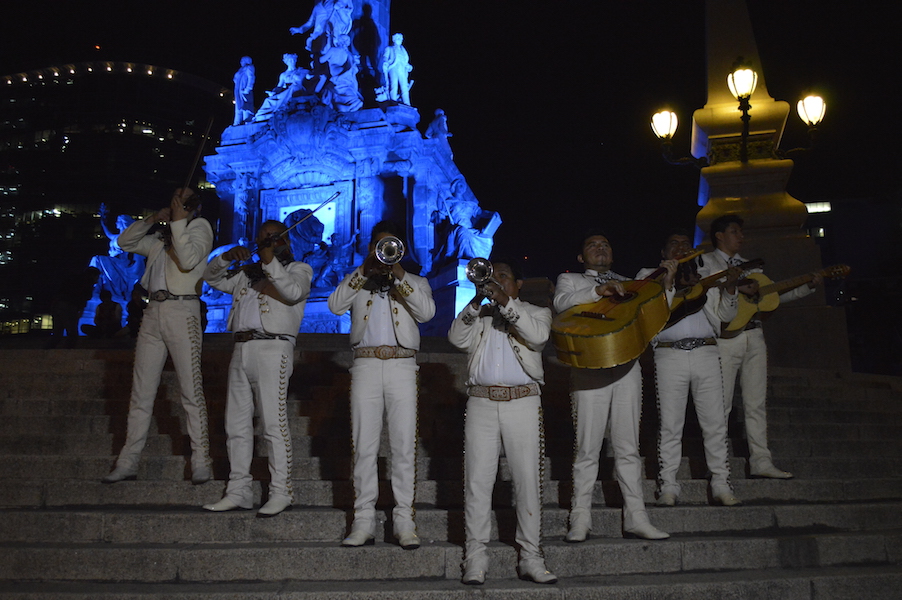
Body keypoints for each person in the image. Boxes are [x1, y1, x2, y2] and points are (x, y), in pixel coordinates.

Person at [553, 231, 671, 542]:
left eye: (606, 243)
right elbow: (561, 303)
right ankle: (579, 519)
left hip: (626, 366)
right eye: (591, 244)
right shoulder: (571, 280)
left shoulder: (631, 282)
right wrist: (597, 291)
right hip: (589, 367)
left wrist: (666, 283)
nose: (600, 248)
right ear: (581, 258)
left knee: (628, 447)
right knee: (587, 448)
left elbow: (648, 315)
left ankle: (637, 517)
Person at [449, 257, 557, 585]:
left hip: (522, 402)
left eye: (503, 276)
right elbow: (455, 338)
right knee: (478, 483)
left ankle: (531, 556)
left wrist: (504, 301)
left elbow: (537, 337)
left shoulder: (536, 312)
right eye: (490, 276)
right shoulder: (479, 314)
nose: (495, 281)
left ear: (518, 284)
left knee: (526, 481)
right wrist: (477, 299)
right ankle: (475, 556)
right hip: (482, 402)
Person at [327, 221, 435, 549]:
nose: (384, 251)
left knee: (403, 446)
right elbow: (335, 305)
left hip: (403, 365)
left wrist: (398, 272)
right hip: (366, 365)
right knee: (364, 447)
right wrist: (363, 270)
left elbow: (427, 313)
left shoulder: (416, 281)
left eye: (390, 246)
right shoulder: (359, 280)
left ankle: (404, 520)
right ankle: (363, 521)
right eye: (380, 245)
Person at [102, 188, 214, 485]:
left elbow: (189, 260)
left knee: (191, 389)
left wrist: (178, 221)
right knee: (141, 391)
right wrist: (153, 218)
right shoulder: (162, 240)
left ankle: (201, 460)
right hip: (153, 312)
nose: (180, 204)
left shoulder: (199, 229)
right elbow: (124, 241)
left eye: (186, 201)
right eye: (177, 199)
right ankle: (128, 460)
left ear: (195, 208)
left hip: (183, 310)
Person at [202, 221, 313, 517]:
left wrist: (269, 261)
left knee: (273, 424)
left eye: (274, 238)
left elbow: (292, 293)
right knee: (235, 425)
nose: (268, 241)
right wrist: (225, 258)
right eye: (263, 238)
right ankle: (239, 490)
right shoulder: (247, 274)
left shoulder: (298, 269)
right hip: (241, 347)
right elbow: (210, 278)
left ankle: (281, 491)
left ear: (285, 241)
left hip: (273, 348)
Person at [700, 214, 822, 479]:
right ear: (719, 235)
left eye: (741, 232)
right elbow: (704, 293)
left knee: (755, 403)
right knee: (720, 404)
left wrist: (805, 288)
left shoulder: (750, 266)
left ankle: (761, 461)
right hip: (726, 339)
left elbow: (772, 295)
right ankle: (717, 466)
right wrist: (734, 287)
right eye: (735, 231)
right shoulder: (706, 263)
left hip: (755, 335)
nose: (741, 237)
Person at [637, 230, 741, 507]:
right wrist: (668, 281)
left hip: (707, 351)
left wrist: (730, 289)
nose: (681, 248)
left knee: (716, 423)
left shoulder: (708, 272)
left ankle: (721, 482)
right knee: (671, 425)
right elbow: (650, 314)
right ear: (663, 252)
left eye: (686, 244)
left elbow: (727, 316)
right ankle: (668, 485)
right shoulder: (648, 274)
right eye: (674, 244)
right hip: (669, 355)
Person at [47, 267, 100, 348]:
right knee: (72, 333)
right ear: (92, 275)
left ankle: (45, 353)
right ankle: (67, 354)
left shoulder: (73, 279)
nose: (97, 279)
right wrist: (80, 310)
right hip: (69, 307)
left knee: (57, 333)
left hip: (58, 305)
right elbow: (84, 297)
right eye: (97, 277)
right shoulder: (86, 282)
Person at [381, 33, 412, 105]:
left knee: (404, 86)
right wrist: (385, 62)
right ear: (394, 40)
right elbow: (385, 57)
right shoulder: (389, 48)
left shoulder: (403, 50)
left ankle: (407, 103)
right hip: (393, 68)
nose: (401, 40)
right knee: (393, 84)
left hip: (402, 69)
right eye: (399, 38)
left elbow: (404, 61)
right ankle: (393, 101)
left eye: (401, 39)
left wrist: (408, 66)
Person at [232, 56, 256, 126]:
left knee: (246, 105)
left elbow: (251, 78)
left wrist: (248, 88)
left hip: (244, 89)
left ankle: (247, 120)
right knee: (238, 105)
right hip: (238, 89)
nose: (241, 62)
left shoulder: (249, 67)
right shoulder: (241, 69)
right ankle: (237, 122)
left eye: (242, 60)